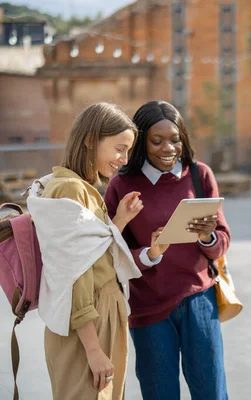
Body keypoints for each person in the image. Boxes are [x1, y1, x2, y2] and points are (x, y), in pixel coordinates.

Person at [104, 100, 231, 400]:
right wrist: (152, 251)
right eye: (157, 141)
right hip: (149, 308)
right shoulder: (122, 185)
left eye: (174, 140)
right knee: (160, 394)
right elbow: (111, 251)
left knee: (212, 392)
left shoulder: (200, 175)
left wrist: (207, 237)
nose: (168, 148)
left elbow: (222, 241)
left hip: (200, 301)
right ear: (140, 142)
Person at [27, 102, 144, 399]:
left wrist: (118, 221)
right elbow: (73, 273)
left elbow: (89, 252)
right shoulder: (72, 189)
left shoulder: (76, 186)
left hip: (95, 316)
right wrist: (93, 350)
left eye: (128, 151)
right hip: (90, 320)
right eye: (120, 148)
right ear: (90, 139)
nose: (124, 159)